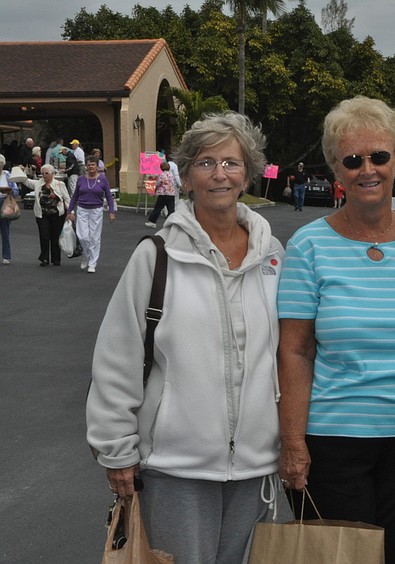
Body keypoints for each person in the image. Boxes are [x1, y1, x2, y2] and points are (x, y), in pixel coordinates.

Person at [277, 96, 395, 564]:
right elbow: (295, 351)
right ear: (336, 171)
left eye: (379, 156)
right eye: (353, 159)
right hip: (332, 444)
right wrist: (293, 442)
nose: (369, 169)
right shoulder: (309, 245)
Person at [86, 111, 284, 563]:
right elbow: (118, 357)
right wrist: (116, 450)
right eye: (206, 163)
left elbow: (284, 354)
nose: (220, 175)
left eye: (231, 163)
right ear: (187, 176)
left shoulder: (273, 258)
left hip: (255, 466)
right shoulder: (156, 257)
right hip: (175, 467)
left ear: (248, 172)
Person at [67, 156, 116, 273]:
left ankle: (92, 263)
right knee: (83, 236)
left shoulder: (103, 179)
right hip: (82, 209)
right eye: (89, 165)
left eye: (93, 164)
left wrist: (111, 212)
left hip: (96, 210)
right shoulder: (81, 179)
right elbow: (75, 196)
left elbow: (109, 196)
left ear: (97, 166)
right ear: (86, 166)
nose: (91, 167)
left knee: (94, 237)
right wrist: (70, 211)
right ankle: (86, 254)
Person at [21, 164, 71, 266]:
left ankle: (56, 259)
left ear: (52, 174)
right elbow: (25, 181)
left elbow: (67, 198)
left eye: (46, 173)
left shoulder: (59, 184)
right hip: (42, 214)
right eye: (42, 173)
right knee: (44, 235)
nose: (44, 175)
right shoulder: (38, 183)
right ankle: (44, 258)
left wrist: (71, 212)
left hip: (57, 214)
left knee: (55, 237)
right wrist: (21, 171)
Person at [0, 154, 20, 264]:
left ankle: (6, 256)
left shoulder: (8, 175)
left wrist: (10, 191)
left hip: (5, 202)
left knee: (5, 230)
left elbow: (16, 191)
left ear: (3, 165)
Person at [145, 160, 176, 228]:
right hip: (171, 194)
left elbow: (158, 183)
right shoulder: (171, 175)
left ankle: (152, 221)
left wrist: (155, 189)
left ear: (161, 168)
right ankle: (171, 223)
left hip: (163, 193)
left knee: (158, 208)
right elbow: (173, 183)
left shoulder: (161, 175)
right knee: (171, 209)